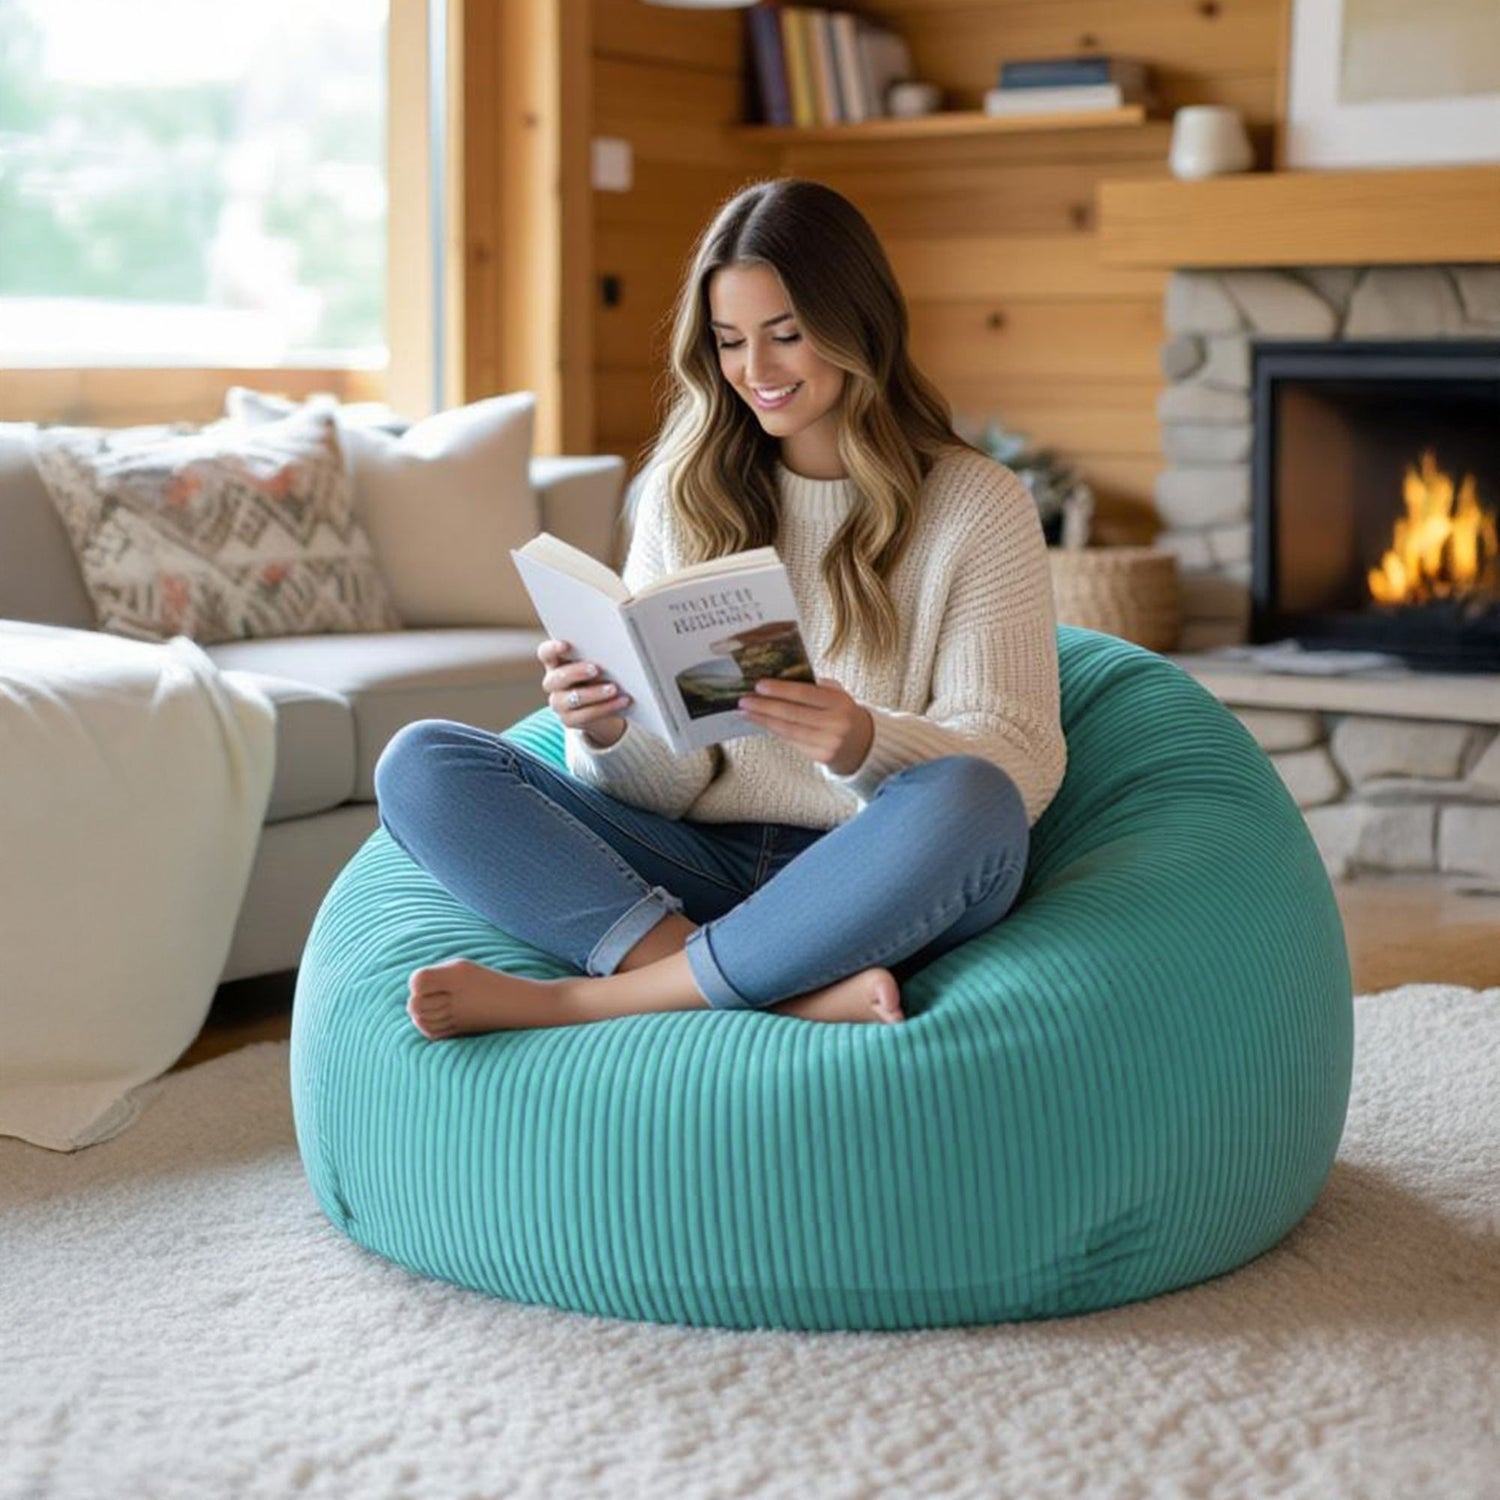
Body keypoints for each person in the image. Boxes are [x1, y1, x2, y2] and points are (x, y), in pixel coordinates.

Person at [373, 177, 1067, 1038]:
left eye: (786, 336)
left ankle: (588, 1001)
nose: (756, 372)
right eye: (731, 341)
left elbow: (1022, 762)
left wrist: (862, 741)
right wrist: (608, 728)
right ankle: (771, 986)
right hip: (702, 860)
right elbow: (675, 782)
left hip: (874, 867)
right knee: (422, 764)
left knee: (974, 799)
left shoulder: (975, 505)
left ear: (861, 327)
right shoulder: (685, 492)